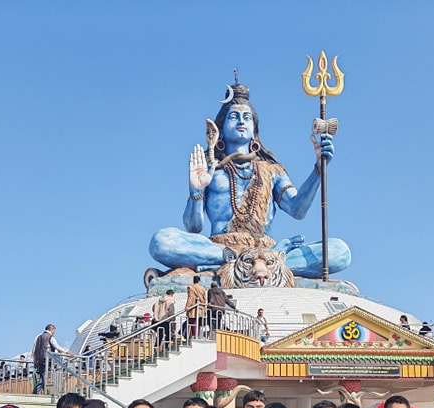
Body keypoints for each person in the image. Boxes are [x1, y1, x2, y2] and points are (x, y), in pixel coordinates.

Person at [149, 80, 350, 279]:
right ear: (220, 127)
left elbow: (298, 210)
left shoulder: (272, 170)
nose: (241, 121)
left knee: (339, 251)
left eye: (247, 117)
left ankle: (254, 262)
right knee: (161, 241)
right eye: (234, 116)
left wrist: (318, 169)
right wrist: (196, 190)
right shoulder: (213, 171)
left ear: (254, 128)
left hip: (265, 250)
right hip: (220, 247)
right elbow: (193, 228)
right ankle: (237, 259)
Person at [32, 324, 60, 394]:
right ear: (51, 329)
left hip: (39, 359)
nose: (55, 332)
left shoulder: (38, 337)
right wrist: (66, 352)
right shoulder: (51, 337)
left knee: (43, 375)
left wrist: (35, 361)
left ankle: (43, 391)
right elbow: (57, 347)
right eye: (54, 330)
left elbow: (35, 350)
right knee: (44, 376)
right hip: (47, 359)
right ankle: (37, 391)